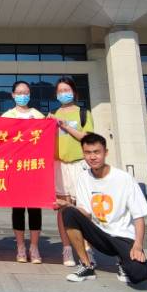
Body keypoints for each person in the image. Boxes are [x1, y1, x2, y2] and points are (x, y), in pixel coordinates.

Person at [60, 133, 147, 285]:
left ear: (105, 153)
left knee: (139, 275)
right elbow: (86, 212)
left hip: (122, 236)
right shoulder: (83, 178)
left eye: (97, 152)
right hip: (100, 234)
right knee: (69, 212)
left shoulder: (124, 178)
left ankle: (123, 261)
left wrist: (138, 246)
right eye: (88, 153)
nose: (92, 157)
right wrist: (67, 206)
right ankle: (86, 265)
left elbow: (139, 217)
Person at [50, 76, 95, 266]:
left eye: (67, 90)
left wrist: (65, 126)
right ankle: (67, 249)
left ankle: (86, 249)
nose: (63, 93)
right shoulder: (52, 114)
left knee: (82, 208)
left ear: (74, 92)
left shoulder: (83, 113)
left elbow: (87, 138)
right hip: (59, 165)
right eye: (60, 91)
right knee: (63, 207)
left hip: (79, 164)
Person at [2, 81, 45, 264]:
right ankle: (20, 246)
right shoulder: (6, 116)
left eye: (25, 92)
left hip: (34, 168)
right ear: (13, 95)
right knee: (18, 209)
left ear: (30, 94)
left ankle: (34, 247)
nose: (22, 96)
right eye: (19, 93)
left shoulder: (38, 116)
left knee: (35, 208)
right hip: (15, 169)